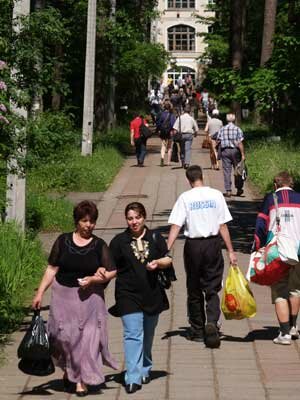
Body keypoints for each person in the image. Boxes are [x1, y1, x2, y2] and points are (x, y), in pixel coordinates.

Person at [32, 201, 117, 397]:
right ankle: (69, 369)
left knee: (86, 340)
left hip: (90, 300)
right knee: (62, 338)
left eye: (92, 221)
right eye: (85, 221)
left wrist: (96, 278)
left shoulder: (98, 245)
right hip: (63, 297)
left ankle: (80, 380)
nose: (89, 225)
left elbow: (112, 271)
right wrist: (39, 293)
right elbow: (52, 269)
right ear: (76, 221)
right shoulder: (62, 241)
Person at [167, 165, 237, 348]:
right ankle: (212, 322)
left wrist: (166, 249)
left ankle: (197, 330)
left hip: (193, 246)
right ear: (202, 177)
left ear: (188, 180)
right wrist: (230, 250)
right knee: (212, 286)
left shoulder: (185, 198)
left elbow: (176, 225)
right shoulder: (216, 195)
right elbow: (223, 225)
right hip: (213, 244)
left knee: (194, 286)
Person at [106, 202, 172, 394]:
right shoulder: (119, 242)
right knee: (132, 334)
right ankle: (132, 377)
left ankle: (145, 367)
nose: (134, 222)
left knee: (148, 335)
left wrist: (158, 262)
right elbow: (110, 266)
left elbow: (168, 259)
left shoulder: (155, 237)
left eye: (137, 217)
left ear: (144, 218)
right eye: (130, 218)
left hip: (152, 293)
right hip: (127, 294)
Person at [254, 171, 300, 345]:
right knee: (295, 289)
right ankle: (294, 326)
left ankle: (284, 333)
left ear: (276, 185)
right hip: (298, 250)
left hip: (278, 252)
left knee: (280, 291)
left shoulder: (270, 199)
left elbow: (261, 224)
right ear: (292, 184)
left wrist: (257, 247)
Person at [217, 113, 245, 197]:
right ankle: (239, 188)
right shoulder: (237, 129)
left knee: (226, 171)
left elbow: (218, 140)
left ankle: (228, 190)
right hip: (235, 151)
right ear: (234, 119)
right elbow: (240, 143)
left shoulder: (222, 129)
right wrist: (243, 154)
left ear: (226, 120)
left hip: (225, 151)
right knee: (238, 170)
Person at [172, 104, 199, 169]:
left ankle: (183, 162)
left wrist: (174, 136)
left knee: (182, 149)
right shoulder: (191, 118)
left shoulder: (180, 118)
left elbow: (175, 128)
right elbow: (196, 129)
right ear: (189, 111)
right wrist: (195, 134)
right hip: (189, 135)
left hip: (181, 135)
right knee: (188, 149)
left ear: (183, 111)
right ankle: (187, 163)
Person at [156, 102, 176, 166]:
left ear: (164, 107)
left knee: (163, 146)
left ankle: (162, 157)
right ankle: (168, 162)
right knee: (169, 147)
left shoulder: (161, 114)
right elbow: (173, 124)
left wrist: (159, 130)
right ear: (170, 108)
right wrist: (173, 131)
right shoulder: (172, 115)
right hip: (170, 132)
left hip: (163, 132)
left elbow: (158, 123)